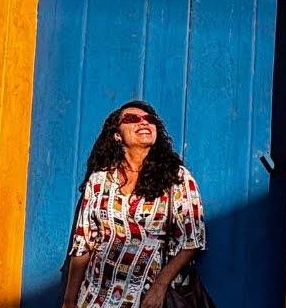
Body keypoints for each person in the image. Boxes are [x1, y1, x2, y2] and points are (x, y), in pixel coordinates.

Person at [61, 101, 206, 308]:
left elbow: (193, 241)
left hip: (147, 299)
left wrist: (160, 287)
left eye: (150, 120)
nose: (143, 123)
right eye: (132, 119)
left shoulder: (176, 178)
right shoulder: (100, 180)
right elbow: (83, 243)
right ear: (117, 135)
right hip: (96, 297)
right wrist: (69, 300)